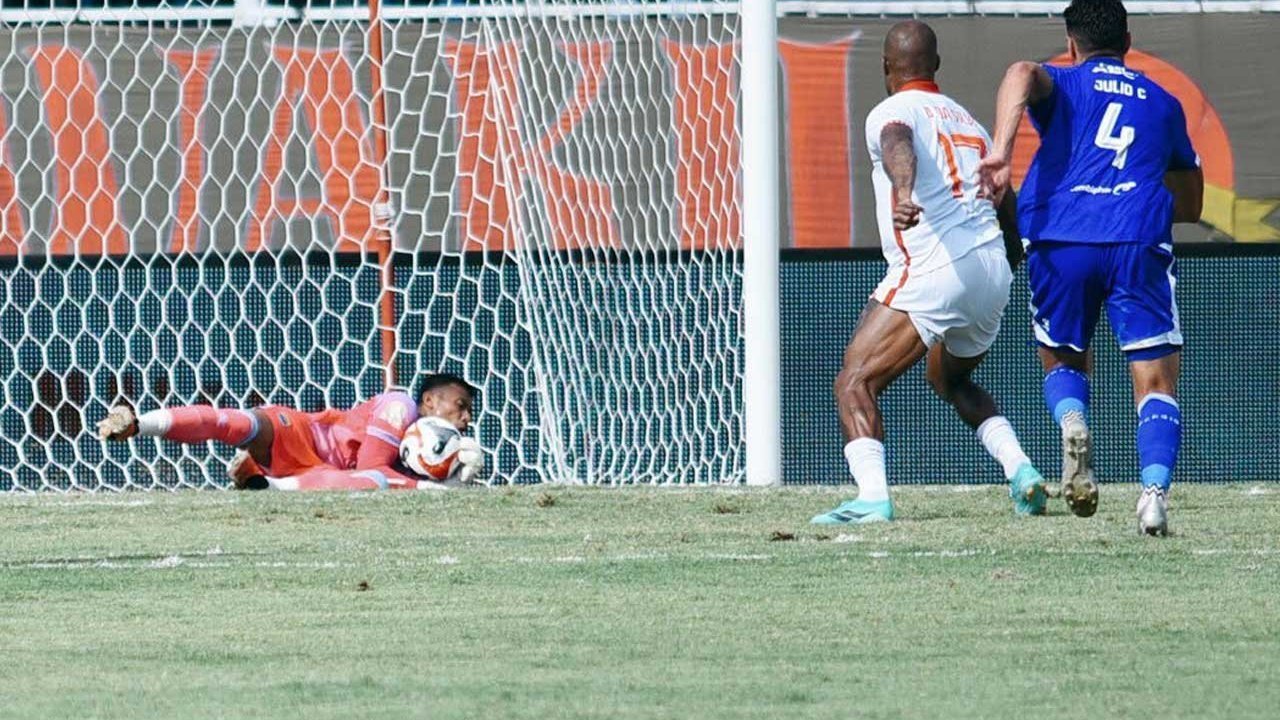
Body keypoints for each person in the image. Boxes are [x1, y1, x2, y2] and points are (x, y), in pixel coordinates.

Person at [978, 0, 1203, 535]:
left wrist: (1003, 151)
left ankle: (1073, 421)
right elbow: (1191, 203)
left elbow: (1019, 72)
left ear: (1071, 43)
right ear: (1128, 41)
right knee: (1155, 381)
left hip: (1061, 235)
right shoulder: (1163, 102)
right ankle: (1152, 497)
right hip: (1135, 235)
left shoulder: (1064, 85)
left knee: (1064, 359)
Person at [811, 20, 1046, 525]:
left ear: (885, 67)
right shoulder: (972, 124)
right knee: (950, 379)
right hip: (991, 271)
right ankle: (1021, 469)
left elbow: (899, 142)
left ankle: (872, 498)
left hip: (936, 266)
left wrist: (903, 192)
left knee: (855, 381)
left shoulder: (890, 112)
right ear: (936, 65)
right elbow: (1005, 200)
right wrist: (1011, 259)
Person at [96, 373, 484, 490]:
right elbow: (373, 466)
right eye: (460, 405)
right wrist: (432, 489)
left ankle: (264, 482)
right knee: (239, 423)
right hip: (306, 435)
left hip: (320, 474)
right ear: (430, 401)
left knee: (355, 486)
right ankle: (138, 423)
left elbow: (370, 477)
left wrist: (451, 479)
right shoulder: (401, 406)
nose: (465, 418)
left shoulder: (434, 447)